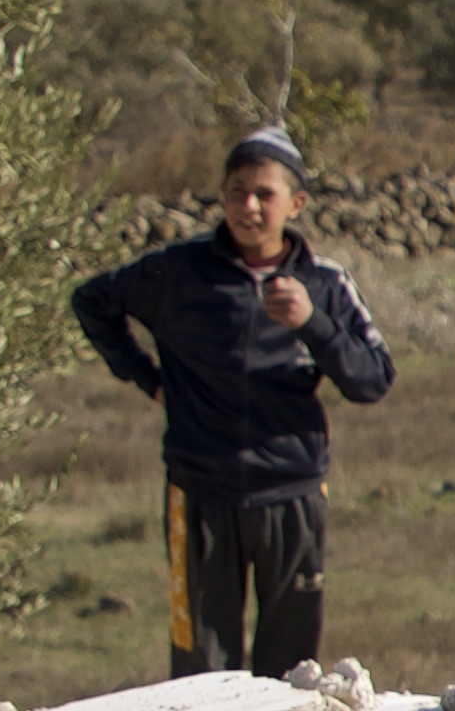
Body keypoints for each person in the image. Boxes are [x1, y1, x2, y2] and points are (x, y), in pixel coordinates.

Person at [69, 126, 392, 680]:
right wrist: (148, 378)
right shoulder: (178, 272)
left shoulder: (322, 283)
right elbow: (92, 301)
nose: (249, 207)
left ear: (296, 203)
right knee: (200, 668)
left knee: (292, 669)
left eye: (265, 194)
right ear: (221, 195)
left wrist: (311, 324)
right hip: (199, 493)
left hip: (291, 493)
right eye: (237, 191)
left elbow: (372, 380)